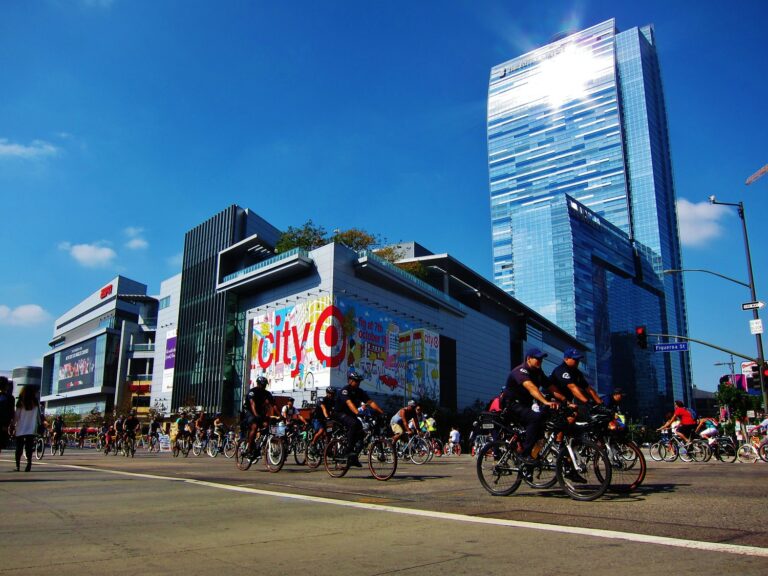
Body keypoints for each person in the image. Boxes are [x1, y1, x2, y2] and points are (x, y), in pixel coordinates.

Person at [501, 348, 558, 464]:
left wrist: (565, 401)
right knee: (535, 418)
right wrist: (545, 401)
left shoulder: (538, 372)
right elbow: (532, 388)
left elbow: (551, 387)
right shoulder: (520, 371)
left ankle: (532, 453)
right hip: (512, 405)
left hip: (525, 405)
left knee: (544, 419)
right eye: (537, 358)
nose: (540, 361)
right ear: (528, 359)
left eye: (541, 359)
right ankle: (525, 454)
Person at [335, 367, 384, 467]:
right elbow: (349, 403)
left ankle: (354, 458)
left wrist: (381, 412)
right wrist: (357, 412)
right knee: (355, 424)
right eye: (356, 381)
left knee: (362, 434)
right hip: (340, 413)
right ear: (350, 381)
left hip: (352, 414)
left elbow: (370, 402)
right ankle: (348, 450)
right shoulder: (345, 390)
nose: (358, 383)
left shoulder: (360, 391)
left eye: (359, 381)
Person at [549, 348, 602, 421]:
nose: (577, 361)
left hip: (567, 403)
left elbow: (589, 389)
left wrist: (601, 405)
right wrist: (587, 402)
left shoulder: (577, 373)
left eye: (578, 359)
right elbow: (572, 387)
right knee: (571, 418)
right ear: (566, 359)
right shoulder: (561, 370)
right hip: (553, 401)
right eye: (575, 359)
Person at [242, 376, 278, 454]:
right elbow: (252, 404)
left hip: (259, 411)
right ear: (258, 384)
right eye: (262, 384)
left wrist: (280, 415)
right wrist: (256, 415)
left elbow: (273, 405)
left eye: (265, 384)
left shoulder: (267, 393)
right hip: (249, 411)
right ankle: (249, 447)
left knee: (267, 425)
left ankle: (259, 443)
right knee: (254, 427)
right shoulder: (252, 392)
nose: (264, 386)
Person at [13, 386, 40, 472]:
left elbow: (16, 417)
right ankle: (29, 464)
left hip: (20, 428)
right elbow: (37, 416)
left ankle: (17, 466)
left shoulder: (20, 403)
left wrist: (13, 425)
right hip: (31, 429)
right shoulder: (35, 403)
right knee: (28, 448)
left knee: (19, 448)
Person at [0, 376, 15, 455]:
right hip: (4, 426)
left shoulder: (9, 398)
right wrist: (11, 425)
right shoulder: (10, 398)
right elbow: (12, 413)